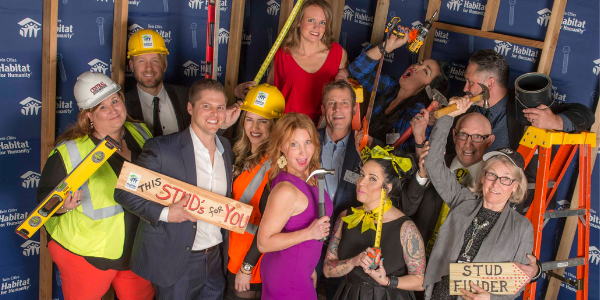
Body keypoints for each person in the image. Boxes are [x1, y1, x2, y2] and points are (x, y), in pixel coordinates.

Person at [37, 72, 154, 300]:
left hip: (137, 249)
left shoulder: (141, 133)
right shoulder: (70, 151)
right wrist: (63, 206)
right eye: (101, 107)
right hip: (86, 254)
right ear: (88, 115)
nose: (113, 110)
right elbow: (44, 203)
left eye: (114, 100)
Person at [114, 79, 234, 300]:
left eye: (220, 107)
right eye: (206, 106)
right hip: (177, 261)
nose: (214, 113)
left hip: (215, 259)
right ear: (190, 108)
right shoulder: (162, 149)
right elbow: (124, 191)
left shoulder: (225, 148)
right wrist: (167, 214)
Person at [421, 98, 540, 300]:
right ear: (483, 176)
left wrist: (491, 299)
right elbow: (432, 163)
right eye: (491, 175)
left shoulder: (522, 227)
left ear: (515, 186)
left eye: (505, 179)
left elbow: (517, 280)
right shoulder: (462, 200)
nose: (495, 184)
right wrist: (448, 116)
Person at [323, 146, 426, 300]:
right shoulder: (345, 217)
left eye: (372, 178)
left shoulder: (406, 228)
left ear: (388, 187)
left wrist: (387, 281)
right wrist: (353, 261)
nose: (361, 183)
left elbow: (420, 281)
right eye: (362, 175)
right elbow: (327, 269)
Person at [456, 49, 595, 152]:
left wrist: (555, 121)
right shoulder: (469, 106)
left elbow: (586, 114)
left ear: (490, 84)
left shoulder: (526, 107)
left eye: (470, 82)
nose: (464, 88)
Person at [257, 112, 333, 300]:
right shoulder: (286, 189)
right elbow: (263, 243)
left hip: (300, 271)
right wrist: (309, 233)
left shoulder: (311, 176)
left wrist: (308, 268)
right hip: (286, 276)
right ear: (281, 146)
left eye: (308, 142)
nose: (303, 152)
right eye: (294, 144)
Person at [235, 0, 349, 124]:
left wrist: (343, 73)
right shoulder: (281, 54)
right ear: (299, 21)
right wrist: (245, 93)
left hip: (323, 128)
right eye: (311, 20)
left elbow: (347, 74)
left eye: (322, 22)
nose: (317, 27)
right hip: (286, 127)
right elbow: (271, 93)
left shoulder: (338, 53)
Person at [225, 84, 285, 300]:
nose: (255, 127)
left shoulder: (277, 165)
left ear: (275, 125)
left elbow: (271, 223)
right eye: (249, 119)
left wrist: (247, 268)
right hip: (229, 251)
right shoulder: (237, 153)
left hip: (252, 260)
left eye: (263, 121)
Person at [408, 112, 495, 256]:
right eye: (463, 135)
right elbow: (407, 209)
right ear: (454, 136)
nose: (469, 144)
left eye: (478, 137)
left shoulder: (493, 182)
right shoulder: (433, 164)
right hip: (417, 257)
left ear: (489, 141)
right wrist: (422, 175)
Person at [349, 28, 449, 150]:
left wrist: (374, 144)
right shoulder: (390, 86)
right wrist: (387, 46)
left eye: (425, 71)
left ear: (429, 88)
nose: (417, 67)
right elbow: (357, 70)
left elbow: (408, 160)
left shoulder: (416, 115)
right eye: (420, 63)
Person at [316, 80, 362, 299]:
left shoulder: (366, 146)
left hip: (345, 245)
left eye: (344, 103)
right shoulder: (307, 141)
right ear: (323, 108)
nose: (337, 109)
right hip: (306, 238)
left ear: (354, 108)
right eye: (331, 103)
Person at [125, 29, 191, 136]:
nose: (149, 68)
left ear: (165, 65)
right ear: (132, 66)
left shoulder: (186, 96)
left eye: (155, 61)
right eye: (141, 61)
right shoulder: (122, 107)